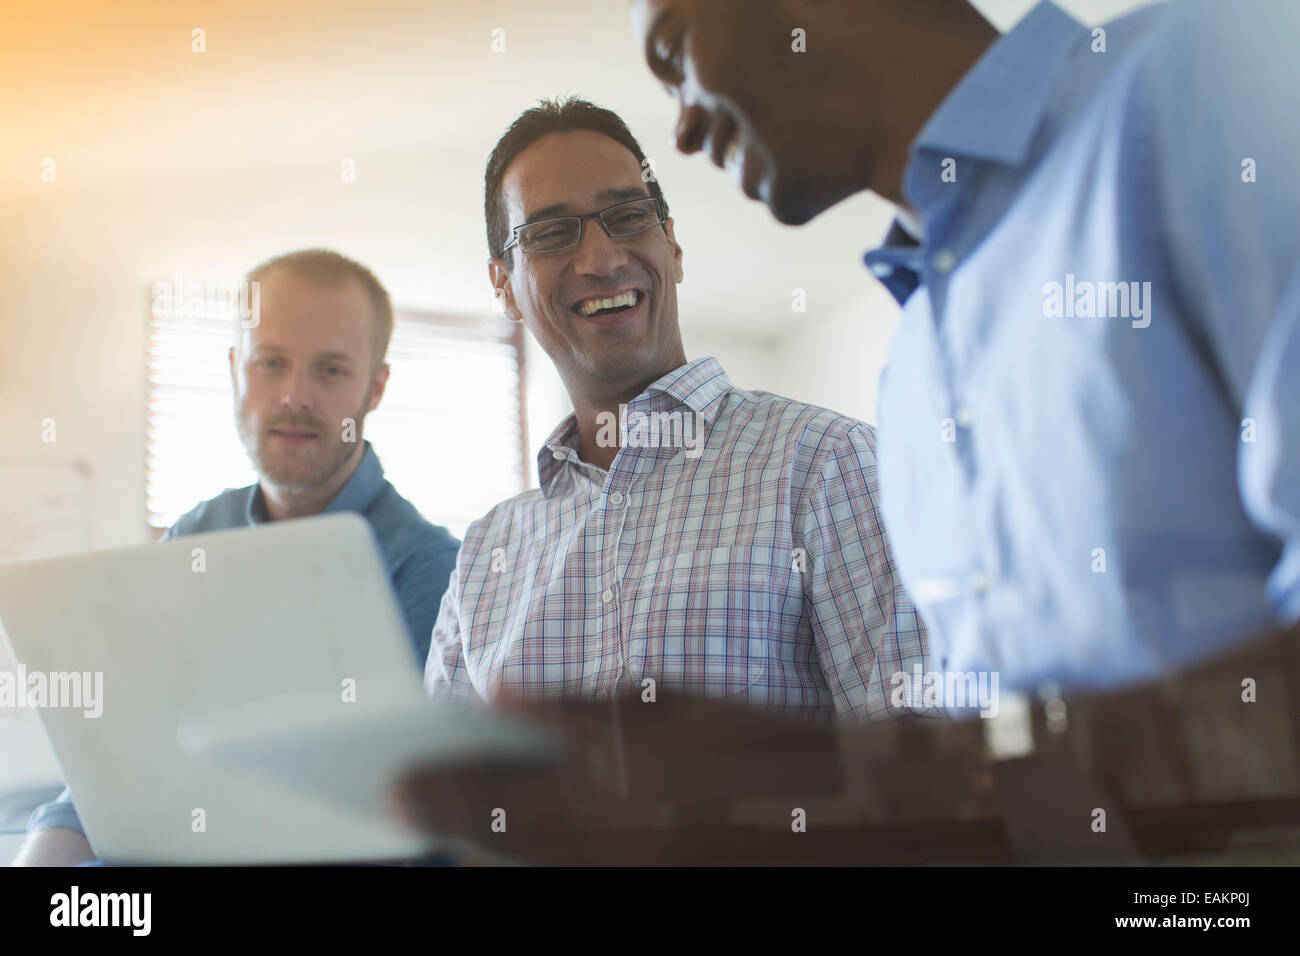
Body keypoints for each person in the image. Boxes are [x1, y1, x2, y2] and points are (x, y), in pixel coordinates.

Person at [389, 0, 1300, 863]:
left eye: (673, 52)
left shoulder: (1210, 84)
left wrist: (804, 783)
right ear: (501, 281)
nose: (685, 128)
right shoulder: (918, 372)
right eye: (550, 235)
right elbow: (990, 792)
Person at [424, 97, 931, 720]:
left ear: (672, 245)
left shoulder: (827, 465)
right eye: (553, 233)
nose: (603, 260)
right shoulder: (483, 556)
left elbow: (924, 754)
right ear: (504, 285)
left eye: (628, 217)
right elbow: (435, 803)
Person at [14, 248, 459, 866]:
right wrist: (44, 853)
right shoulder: (196, 534)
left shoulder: (432, 571)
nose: (294, 396)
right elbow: (119, 753)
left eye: (330, 370)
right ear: (233, 370)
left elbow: (413, 833)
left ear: (376, 388)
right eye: (270, 362)